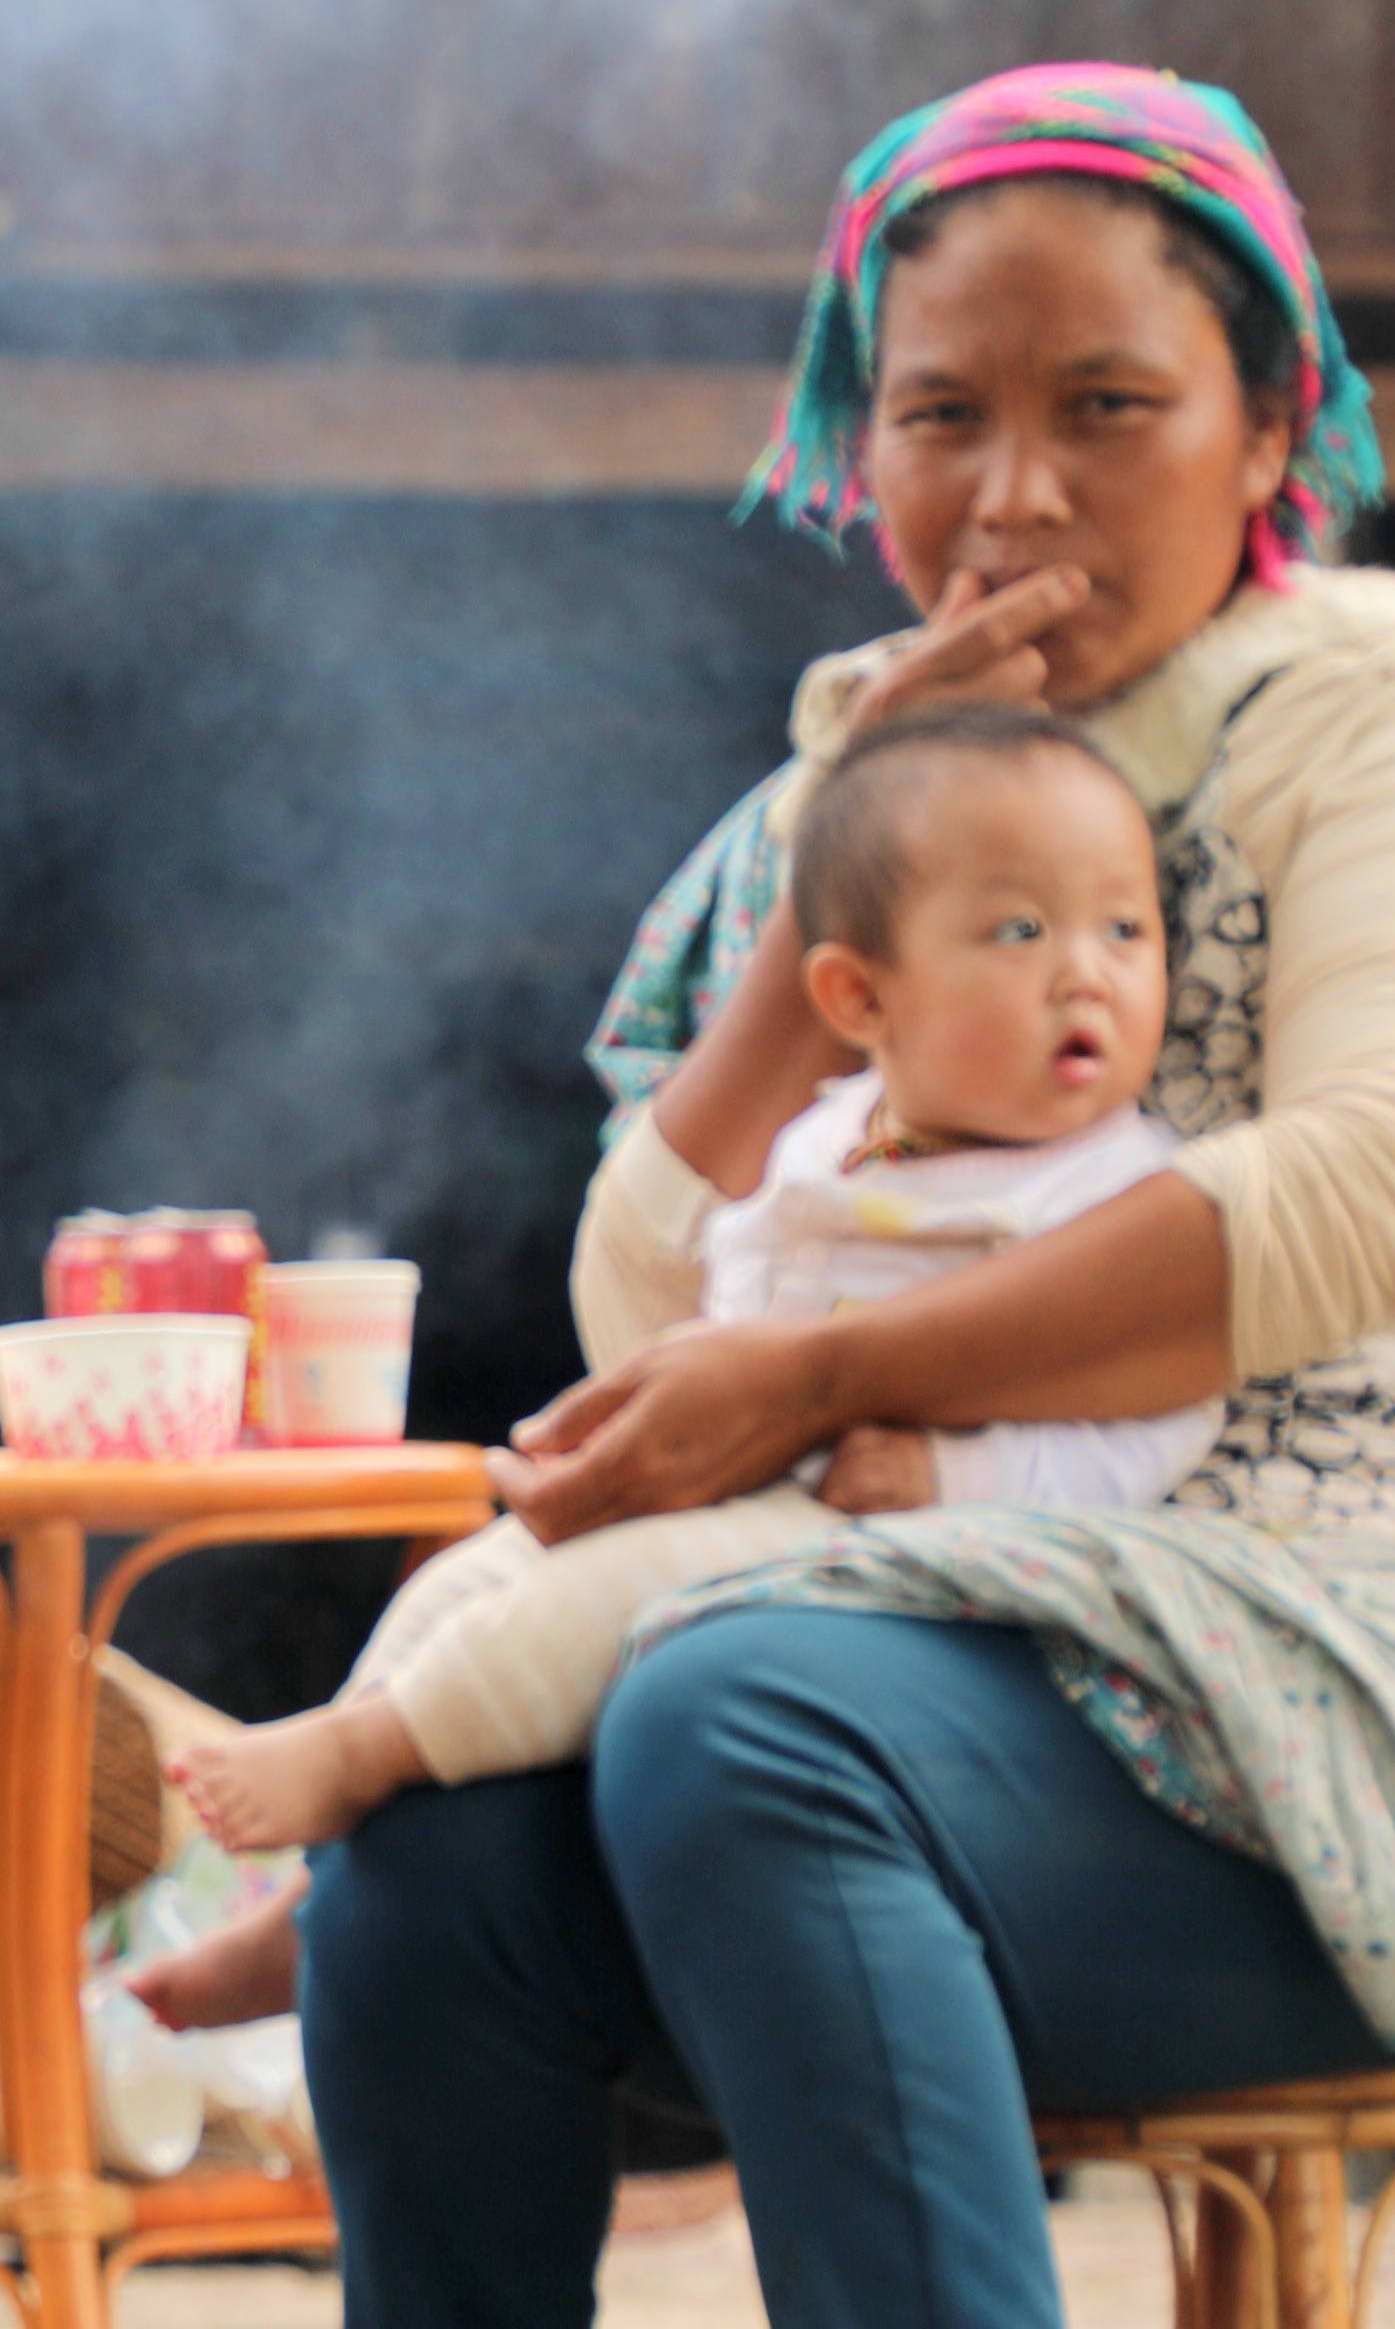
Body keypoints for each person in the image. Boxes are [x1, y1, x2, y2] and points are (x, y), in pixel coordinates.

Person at [161, 61, 1395, 2329]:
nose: (1019, 487)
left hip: (1393, 1721)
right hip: (963, 1704)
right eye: (941, 415)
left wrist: (833, 1391)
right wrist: (818, 897)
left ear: (1273, 430)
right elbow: (667, 1298)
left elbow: (1362, 1198)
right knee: (446, 1836)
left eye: (1110, 406)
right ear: (849, 445)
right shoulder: (852, 782)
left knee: (733, 1709)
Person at [138, 703, 1218, 1955]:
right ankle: (317, 1903)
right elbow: (725, 1308)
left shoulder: (1115, 1194)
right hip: (749, 1499)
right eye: (1020, 931)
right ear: (860, 994)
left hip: (914, 1559)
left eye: (1125, 928)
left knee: (590, 1610)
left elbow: (1158, 1425)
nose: (1086, 969)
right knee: (470, 1583)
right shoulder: (828, 1135)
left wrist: (950, 1469)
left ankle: (364, 1757)